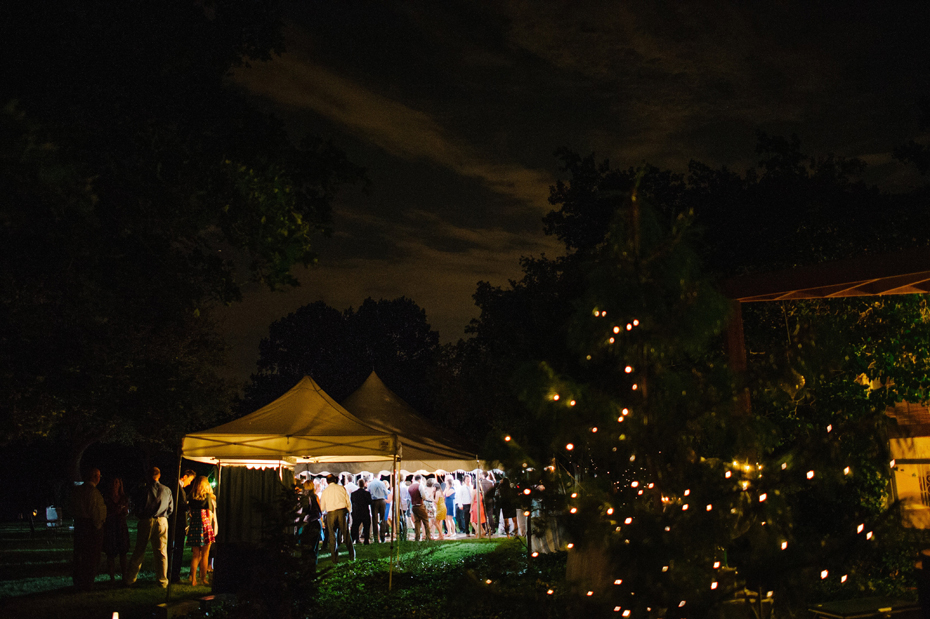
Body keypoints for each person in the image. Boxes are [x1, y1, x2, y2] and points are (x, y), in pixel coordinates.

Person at [126, 466, 174, 587]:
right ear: (159, 475)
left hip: (146, 520)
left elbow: (137, 506)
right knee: (162, 552)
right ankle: (162, 581)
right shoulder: (167, 490)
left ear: (148, 475)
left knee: (139, 550)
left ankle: (130, 579)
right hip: (162, 520)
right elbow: (170, 509)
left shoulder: (144, 490)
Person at [70, 468, 106, 591]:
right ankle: (87, 583)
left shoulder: (78, 491)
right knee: (91, 556)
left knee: (80, 554)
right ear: (95, 477)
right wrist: (98, 526)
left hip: (80, 525)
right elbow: (95, 511)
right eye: (98, 476)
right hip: (90, 526)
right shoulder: (93, 492)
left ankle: (78, 581)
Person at [187, 475, 217, 587]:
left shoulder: (191, 497)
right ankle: (203, 578)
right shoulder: (207, 496)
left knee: (195, 555)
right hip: (205, 525)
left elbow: (190, 512)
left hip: (194, 525)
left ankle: (193, 578)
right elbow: (209, 514)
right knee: (205, 554)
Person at [319, 474, 354, 564]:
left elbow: (322, 507)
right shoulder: (341, 488)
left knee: (332, 535)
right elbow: (348, 500)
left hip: (331, 513)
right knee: (345, 534)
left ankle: (334, 559)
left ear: (327, 481)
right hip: (342, 511)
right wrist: (349, 510)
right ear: (335, 480)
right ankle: (351, 554)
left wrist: (323, 512)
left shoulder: (325, 491)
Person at [169, 469, 196, 584]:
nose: (189, 483)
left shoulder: (180, 489)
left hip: (179, 522)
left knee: (177, 548)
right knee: (177, 548)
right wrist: (189, 505)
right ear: (184, 477)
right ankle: (174, 574)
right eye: (190, 480)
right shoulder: (176, 487)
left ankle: (173, 573)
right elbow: (179, 505)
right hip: (177, 522)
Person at [103, 477, 130, 582]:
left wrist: (124, 510)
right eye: (114, 482)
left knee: (123, 552)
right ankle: (112, 577)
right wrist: (115, 511)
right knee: (110, 553)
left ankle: (124, 575)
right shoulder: (107, 498)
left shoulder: (123, 498)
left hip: (121, 526)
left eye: (117, 482)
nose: (115, 484)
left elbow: (126, 510)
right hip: (110, 526)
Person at [298, 480, 323, 565]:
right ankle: (313, 567)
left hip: (307, 525)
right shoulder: (314, 497)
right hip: (315, 523)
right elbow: (319, 512)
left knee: (305, 548)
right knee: (313, 549)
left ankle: (307, 568)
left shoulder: (304, 497)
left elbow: (303, 512)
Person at [407, 475, 431, 541]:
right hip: (420, 505)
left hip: (413, 506)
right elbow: (423, 495)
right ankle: (428, 537)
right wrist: (425, 498)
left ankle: (417, 537)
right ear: (419, 479)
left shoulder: (410, 487)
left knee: (417, 522)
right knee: (425, 521)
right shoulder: (420, 486)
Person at [367, 475, 389, 543]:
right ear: (379, 476)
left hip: (374, 501)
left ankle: (376, 538)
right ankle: (382, 537)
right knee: (382, 519)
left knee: (374, 519)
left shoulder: (370, 484)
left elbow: (368, 493)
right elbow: (386, 493)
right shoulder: (382, 483)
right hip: (382, 501)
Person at [350, 478, 372, 544]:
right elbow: (370, 502)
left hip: (356, 511)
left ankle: (356, 539)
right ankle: (366, 540)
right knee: (366, 526)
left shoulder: (353, 494)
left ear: (358, 484)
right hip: (365, 511)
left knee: (356, 526)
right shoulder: (367, 493)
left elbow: (352, 501)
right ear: (364, 484)